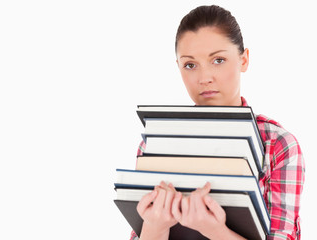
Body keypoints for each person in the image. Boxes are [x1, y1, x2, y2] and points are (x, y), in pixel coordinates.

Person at [129, 5, 305, 240]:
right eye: (190, 65)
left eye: (218, 60)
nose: (204, 78)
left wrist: (216, 231)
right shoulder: (156, 144)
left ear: (244, 60)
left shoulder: (277, 145)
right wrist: (154, 228)